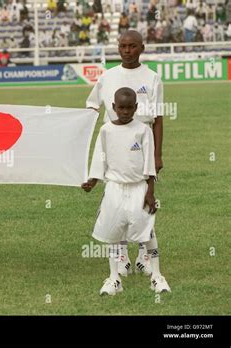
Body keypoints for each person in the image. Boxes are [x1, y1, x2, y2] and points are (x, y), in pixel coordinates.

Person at [86, 30, 164, 278]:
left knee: (143, 203)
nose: (127, 50)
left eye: (132, 46)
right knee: (116, 204)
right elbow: (91, 109)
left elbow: (158, 119)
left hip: (143, 147)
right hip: (115, 149)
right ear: (117, 48)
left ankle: (144, 253)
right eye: (123, 46)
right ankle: (121, 257)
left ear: (142, 48)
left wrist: (158, 156)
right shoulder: (107, 77)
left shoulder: (152, 78)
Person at [82, 88, 171, 295]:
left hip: (139, 187)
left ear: (136, 108)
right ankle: (114, 278)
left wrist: (150, 190)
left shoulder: (142, 130)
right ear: (113, 107)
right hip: (114, 188)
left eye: (129, 107)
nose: (125, 111)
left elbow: (149, 162)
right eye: (121, 107)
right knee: (114, 232)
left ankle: (157, 276)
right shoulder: (106, 130)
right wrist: (92, 181)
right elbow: (99, 157)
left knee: (147, 230)